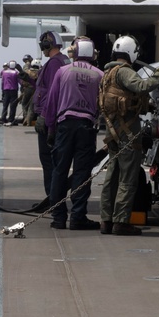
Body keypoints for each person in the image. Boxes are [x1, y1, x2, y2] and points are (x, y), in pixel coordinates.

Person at [98, 36, 159, 235]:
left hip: (112, 132)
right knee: (127, 178)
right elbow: (142, 86)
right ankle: (121, 222)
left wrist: (145, 105)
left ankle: (106, 220)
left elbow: (125, 97)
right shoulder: (124, 71)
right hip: (127, 134)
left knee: (112, 177)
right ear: (132, 52)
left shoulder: (108, 73)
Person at [46, 36, 104, 229]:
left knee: (59, 171)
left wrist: (51, 129)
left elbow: (52, 101)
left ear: (75, 52)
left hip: (64, 125)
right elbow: (103, 105)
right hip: (86, 128)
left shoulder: (63, 71)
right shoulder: (99, 75)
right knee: (82, 173)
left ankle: (58, 218)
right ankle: (78, 217)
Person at [33, 31, 71, 202]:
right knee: (55, 161)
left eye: (43, 45)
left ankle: (52, 199)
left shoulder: (54, 63)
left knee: (48, 160)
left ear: (48, 45)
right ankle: (54, 198)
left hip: (50, 119)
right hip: (58, 117)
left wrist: (44, 116)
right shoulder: (62, 61)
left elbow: (51, 93)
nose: (42, 49)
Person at [0, 59, 22, 125]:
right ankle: (11, 120)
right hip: (13, 90)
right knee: (13, 106)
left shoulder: (4, 72)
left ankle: (3, 119)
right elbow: (20, 82)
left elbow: (2, 82)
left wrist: (2, 91)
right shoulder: (16, 73)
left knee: (5, 105)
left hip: (5, 90)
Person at [18, 55, 37, 126]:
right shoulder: (38, 67)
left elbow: (23, 77)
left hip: (28, 88)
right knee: (31, 106)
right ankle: (29, 120)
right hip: (35, 88)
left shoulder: (26, 67)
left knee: (24, 104)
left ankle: (26, 118)